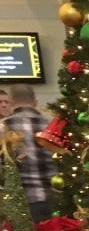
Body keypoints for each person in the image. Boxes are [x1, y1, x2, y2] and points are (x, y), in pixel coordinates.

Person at [0, 84, 57, 222]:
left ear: (12, 102)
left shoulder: (3, 127)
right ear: (35, 102)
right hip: (54, 199)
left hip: (21, 202)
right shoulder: (52, 127)